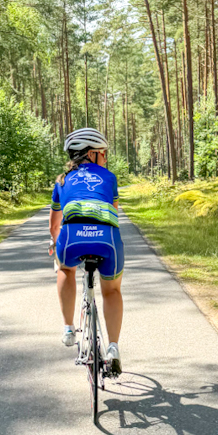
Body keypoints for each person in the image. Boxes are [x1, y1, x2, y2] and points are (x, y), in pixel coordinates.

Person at [48, 128, 124, 374]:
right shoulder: (109, 177)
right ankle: (113, 347)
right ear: (91, 154)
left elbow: (54, 226)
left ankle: (69, 328)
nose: (105, 159)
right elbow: (113, 213)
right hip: (107, 240)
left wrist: (55, 244)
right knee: (111, 290)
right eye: (103, 154)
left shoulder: (61, 180)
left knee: (65, 270)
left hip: (71, 239)